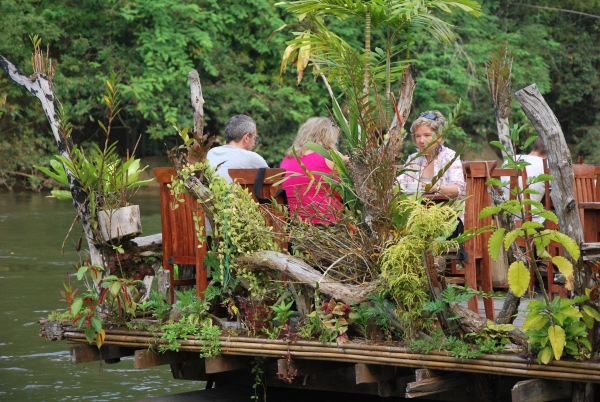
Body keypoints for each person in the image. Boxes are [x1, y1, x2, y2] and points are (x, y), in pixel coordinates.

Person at [280, 117, 344, 224]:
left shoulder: (287, 159)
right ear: (329, 137)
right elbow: (350, 189)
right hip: (327, 225)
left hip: (293, 224)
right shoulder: (331, 156)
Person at [397, 110, 466, 199]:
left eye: (427, 135)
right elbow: (400, 183)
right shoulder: (413, 159)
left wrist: (436, 188)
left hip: (445, 210)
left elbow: (458, 189)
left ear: (440, 136)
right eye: (418, 136)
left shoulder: (450, 157)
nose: (421, 141)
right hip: (415, 210)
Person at [206, 114, 268, 183]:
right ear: (247, 137)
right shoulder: (251, 157)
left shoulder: (211, 152)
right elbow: (273, 181)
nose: (254, 143)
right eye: (254, 138)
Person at [502, 138, 548, 224]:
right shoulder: (545, 164)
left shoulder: (510, 160)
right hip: (532, 222)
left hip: (505, 219)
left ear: (534, 147)